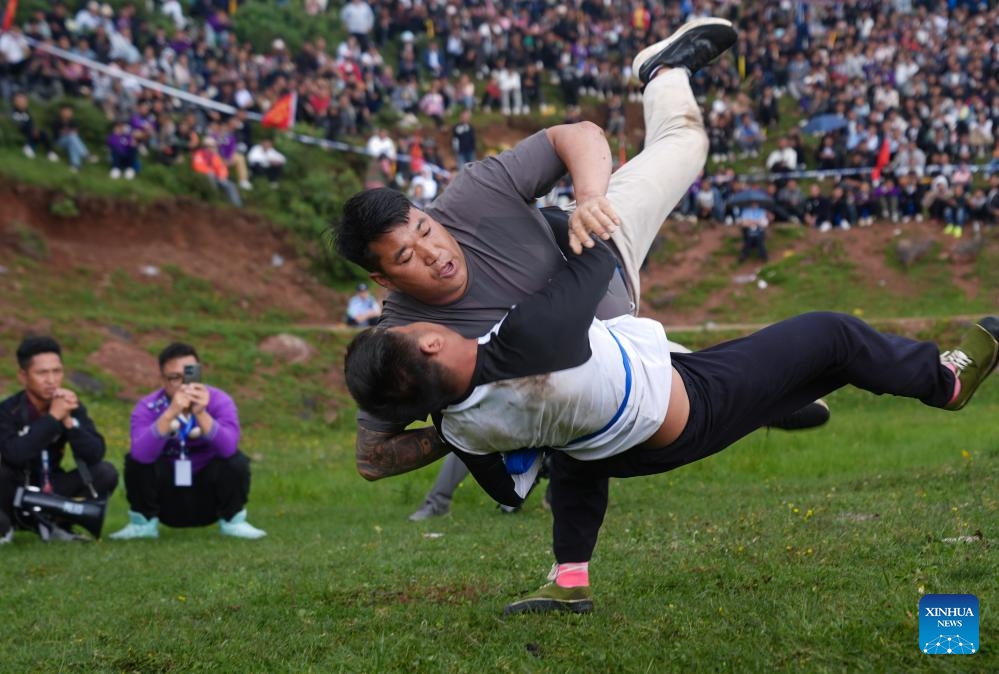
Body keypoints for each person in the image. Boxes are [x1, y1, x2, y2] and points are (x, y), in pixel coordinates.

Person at [344, 236, 999, 615]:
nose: (412, 320)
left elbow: (503, 490)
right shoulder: (532, 338)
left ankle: (569, 575)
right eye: (407, 329)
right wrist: (571, 214)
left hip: (619, 444)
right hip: (686, 409)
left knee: (571, 462)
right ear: (428, 347)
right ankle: (942, 383)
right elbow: (596, 254)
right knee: (829, 335)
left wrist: (444, 452)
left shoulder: (463, 427)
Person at [334, 19, 741, 487]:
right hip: (603, 356)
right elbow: (372, 458)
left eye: (425, 228)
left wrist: (589, 198)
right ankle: (772, 396)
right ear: (382, 279)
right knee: (703, 388)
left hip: (597, 237)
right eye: (405, 257)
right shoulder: (404, 340)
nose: (432, 251)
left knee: (688, 143)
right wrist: (471, 430)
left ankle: (663, 71)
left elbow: (577, 134)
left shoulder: (471, 195)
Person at [109, 343, 265, 540]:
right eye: (174, 378)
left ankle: (233, 521)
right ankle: (143, 525)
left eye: (189, 375)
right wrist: (170, 413)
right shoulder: (148, 406)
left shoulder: (218, 400)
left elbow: (228, 448)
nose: (183, 384)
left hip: (207, 491)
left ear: (199, 373)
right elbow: (140, 455)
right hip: (167, 494)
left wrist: (201, 414)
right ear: (162, 379)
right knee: (135, 461)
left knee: (236, 461)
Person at [0, 336, 119, 543]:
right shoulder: (8, 410)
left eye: (57, 371)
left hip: (52, 486)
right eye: (42, 373)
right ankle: (6, 526)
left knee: (105, 472)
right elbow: (14, 455)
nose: (51, 380)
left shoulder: (70, 405)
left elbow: (94, 454)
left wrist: (69, 423)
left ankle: (60, 525)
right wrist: (52, 418)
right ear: (23, 376)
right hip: (16, 488)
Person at [192, 137, 242, 207]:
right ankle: (214, 201)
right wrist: (210, 171)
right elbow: (197, 167)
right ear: (205, 146)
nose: (212, 148)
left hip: (217, 178)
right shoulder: (199, 154)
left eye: (213, 146)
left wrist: (221, 176)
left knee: (230, 185)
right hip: (205, 178)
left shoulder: (215, 156)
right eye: (211, 146)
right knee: (210, 176)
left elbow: (222, 168)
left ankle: (237, 206)